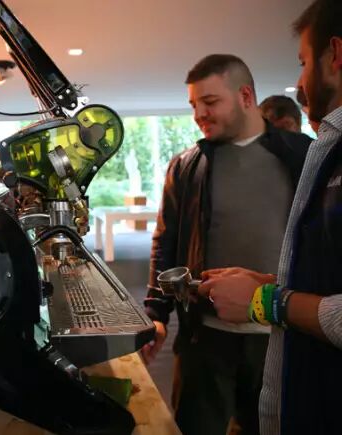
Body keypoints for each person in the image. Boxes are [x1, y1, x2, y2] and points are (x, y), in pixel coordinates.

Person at [142, 54, 311, 435]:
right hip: (203, 338)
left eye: (210, 101)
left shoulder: (300, 154)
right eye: (193, 105)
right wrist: (155, 312)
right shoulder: (186, 166)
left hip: (280, 338)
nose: (199, 114)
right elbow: (165, 242)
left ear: (246, 96)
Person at [198, 1, 342, 434]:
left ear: (336, 55)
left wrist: (268, 301)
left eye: (303, 63)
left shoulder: (298, 150)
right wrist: (272, 283)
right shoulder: (191, 163)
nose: (299, 84)